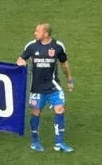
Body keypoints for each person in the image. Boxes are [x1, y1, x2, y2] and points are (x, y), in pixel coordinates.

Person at [17, 23, 75, 153]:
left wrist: (69, 79)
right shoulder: (31, 46)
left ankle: (59, 142)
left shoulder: (58, 46)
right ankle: (35, 141)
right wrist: (20, 61)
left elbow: (64, 64)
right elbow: (21, 59)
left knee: (60, 109)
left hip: (53, 86)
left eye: (37, 31)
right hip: (36, 87)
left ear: (46, 34)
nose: (35, 33)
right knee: (36, 113)